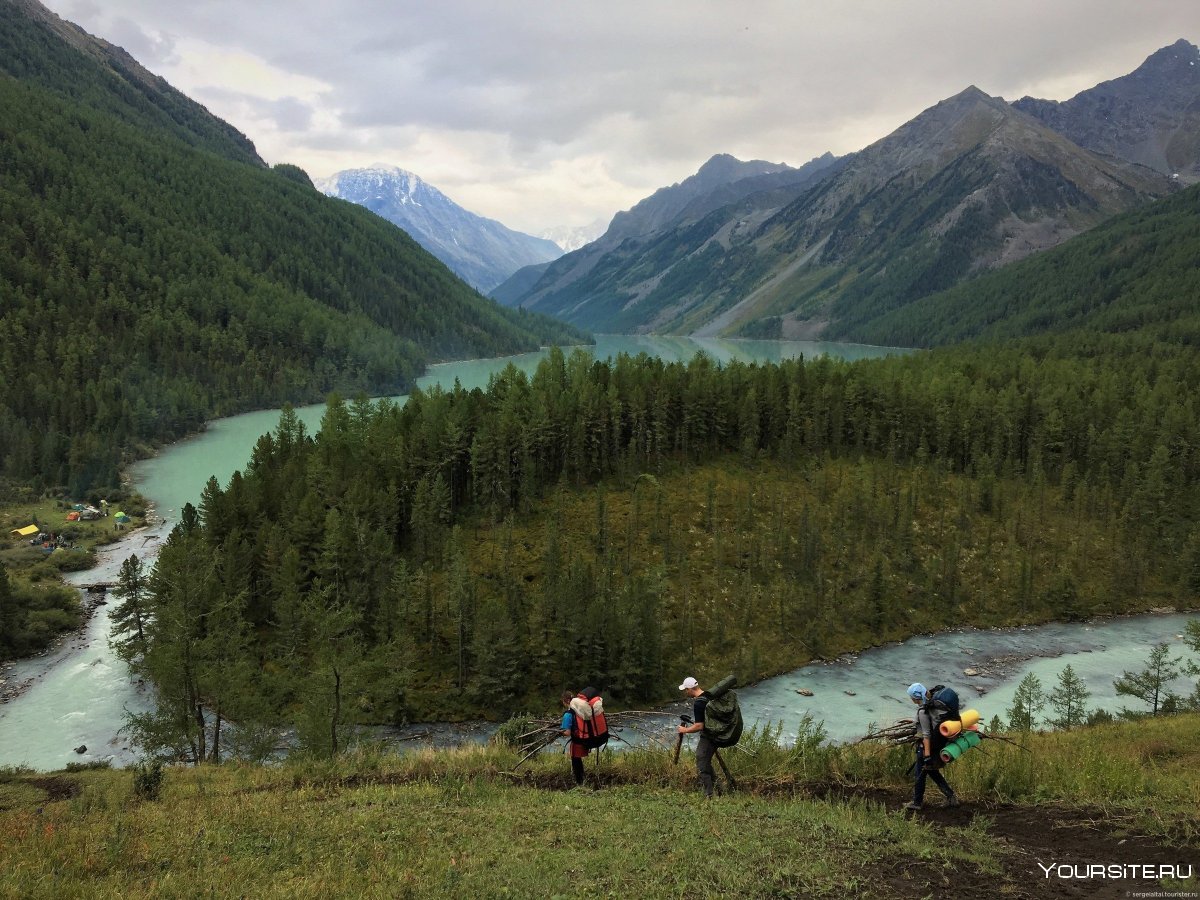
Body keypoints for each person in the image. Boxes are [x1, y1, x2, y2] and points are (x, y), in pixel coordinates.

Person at [905, 682, 959, 811]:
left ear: (915, 697)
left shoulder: (923, 711)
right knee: (931, 771)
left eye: (911, 696)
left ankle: (917, 803)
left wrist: (927, 755)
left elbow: (926, 734)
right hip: (940, 741)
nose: (911, 699)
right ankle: (951, 797)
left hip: (927, 746)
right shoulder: (933, 702)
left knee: (920, 772)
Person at [677, 676, 718, 797]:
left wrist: (684, 730)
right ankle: (719, 788)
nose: (686, 692)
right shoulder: (708, 696)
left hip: (709, 736)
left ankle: (709, 795)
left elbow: (699, 726)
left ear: (690, 689)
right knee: (706, 762)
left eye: (686, 689)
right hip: (716, 733)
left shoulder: (699, 703)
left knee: (701, 762)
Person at [560, 690, 588, 786]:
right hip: (585, 739)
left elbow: (567, 732)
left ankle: (579, 783)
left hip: (576, 742)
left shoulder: (568, 714)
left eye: (563, 701)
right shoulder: (579, 711)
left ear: (566, 701)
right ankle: (582, 781)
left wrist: (561, 731)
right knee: (578, 761)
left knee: (576, 762)